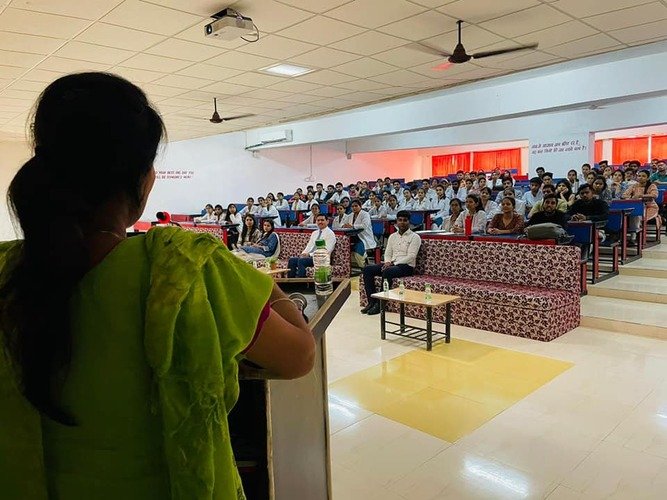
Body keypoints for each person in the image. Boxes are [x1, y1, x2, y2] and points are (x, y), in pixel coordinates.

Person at [0, 72, 315, 500]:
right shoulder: (183, 267)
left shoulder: (6, 270)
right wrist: (258, 285)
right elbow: (298, 356)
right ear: (143, 179)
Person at [361, 211, 421, 316]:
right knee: (367, 269)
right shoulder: (393, 236)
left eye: (405, 220)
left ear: (409, 222)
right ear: (396, 222)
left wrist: (393, 263)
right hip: (392, 264)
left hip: (406, 266)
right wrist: (387, 262)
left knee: (388, 271)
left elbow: (411, 256)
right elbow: (388, 253)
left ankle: (380, 304)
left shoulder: (415, 237)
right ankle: (371, 302)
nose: (402, 223)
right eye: (400, 220)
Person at [623, 169, 661, 244]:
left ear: (648, 178)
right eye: (639, 176)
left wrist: (641, 196)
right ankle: (633, 236)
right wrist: (631, 198)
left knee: (638, 216)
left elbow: (654, 195)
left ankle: (634, 236)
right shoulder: (634, 185)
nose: (640, 177)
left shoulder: (651, 185)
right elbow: (624, 195)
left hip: (650, 207)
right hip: (637, 207)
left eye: (643, 176)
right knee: (635, 214)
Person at [343, 199, 375, 267]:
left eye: (356, 206)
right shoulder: (350, 215)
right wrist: (344, 225)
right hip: (353, 237)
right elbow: (344, 224)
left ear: (360, 206)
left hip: (364, 237)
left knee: (358, 251)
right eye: (352, 206)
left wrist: (352, 226)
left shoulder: (365, 214)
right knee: (344, 245)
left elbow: (364, 226)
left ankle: (363, 267)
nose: (354, 208)